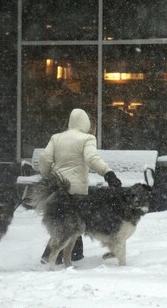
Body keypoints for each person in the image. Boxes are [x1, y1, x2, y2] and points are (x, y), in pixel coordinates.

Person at [38, 108, 121, 263]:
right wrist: (108, 173)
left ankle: (57, 255)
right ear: (86, 123)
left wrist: (47, 176)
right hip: (76, 190)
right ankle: (60, 256)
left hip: (57, 188)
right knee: (72, 224)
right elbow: (92, 158)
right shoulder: (87, 138)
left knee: (64, 221)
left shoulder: (56, 138)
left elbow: (44, 159)